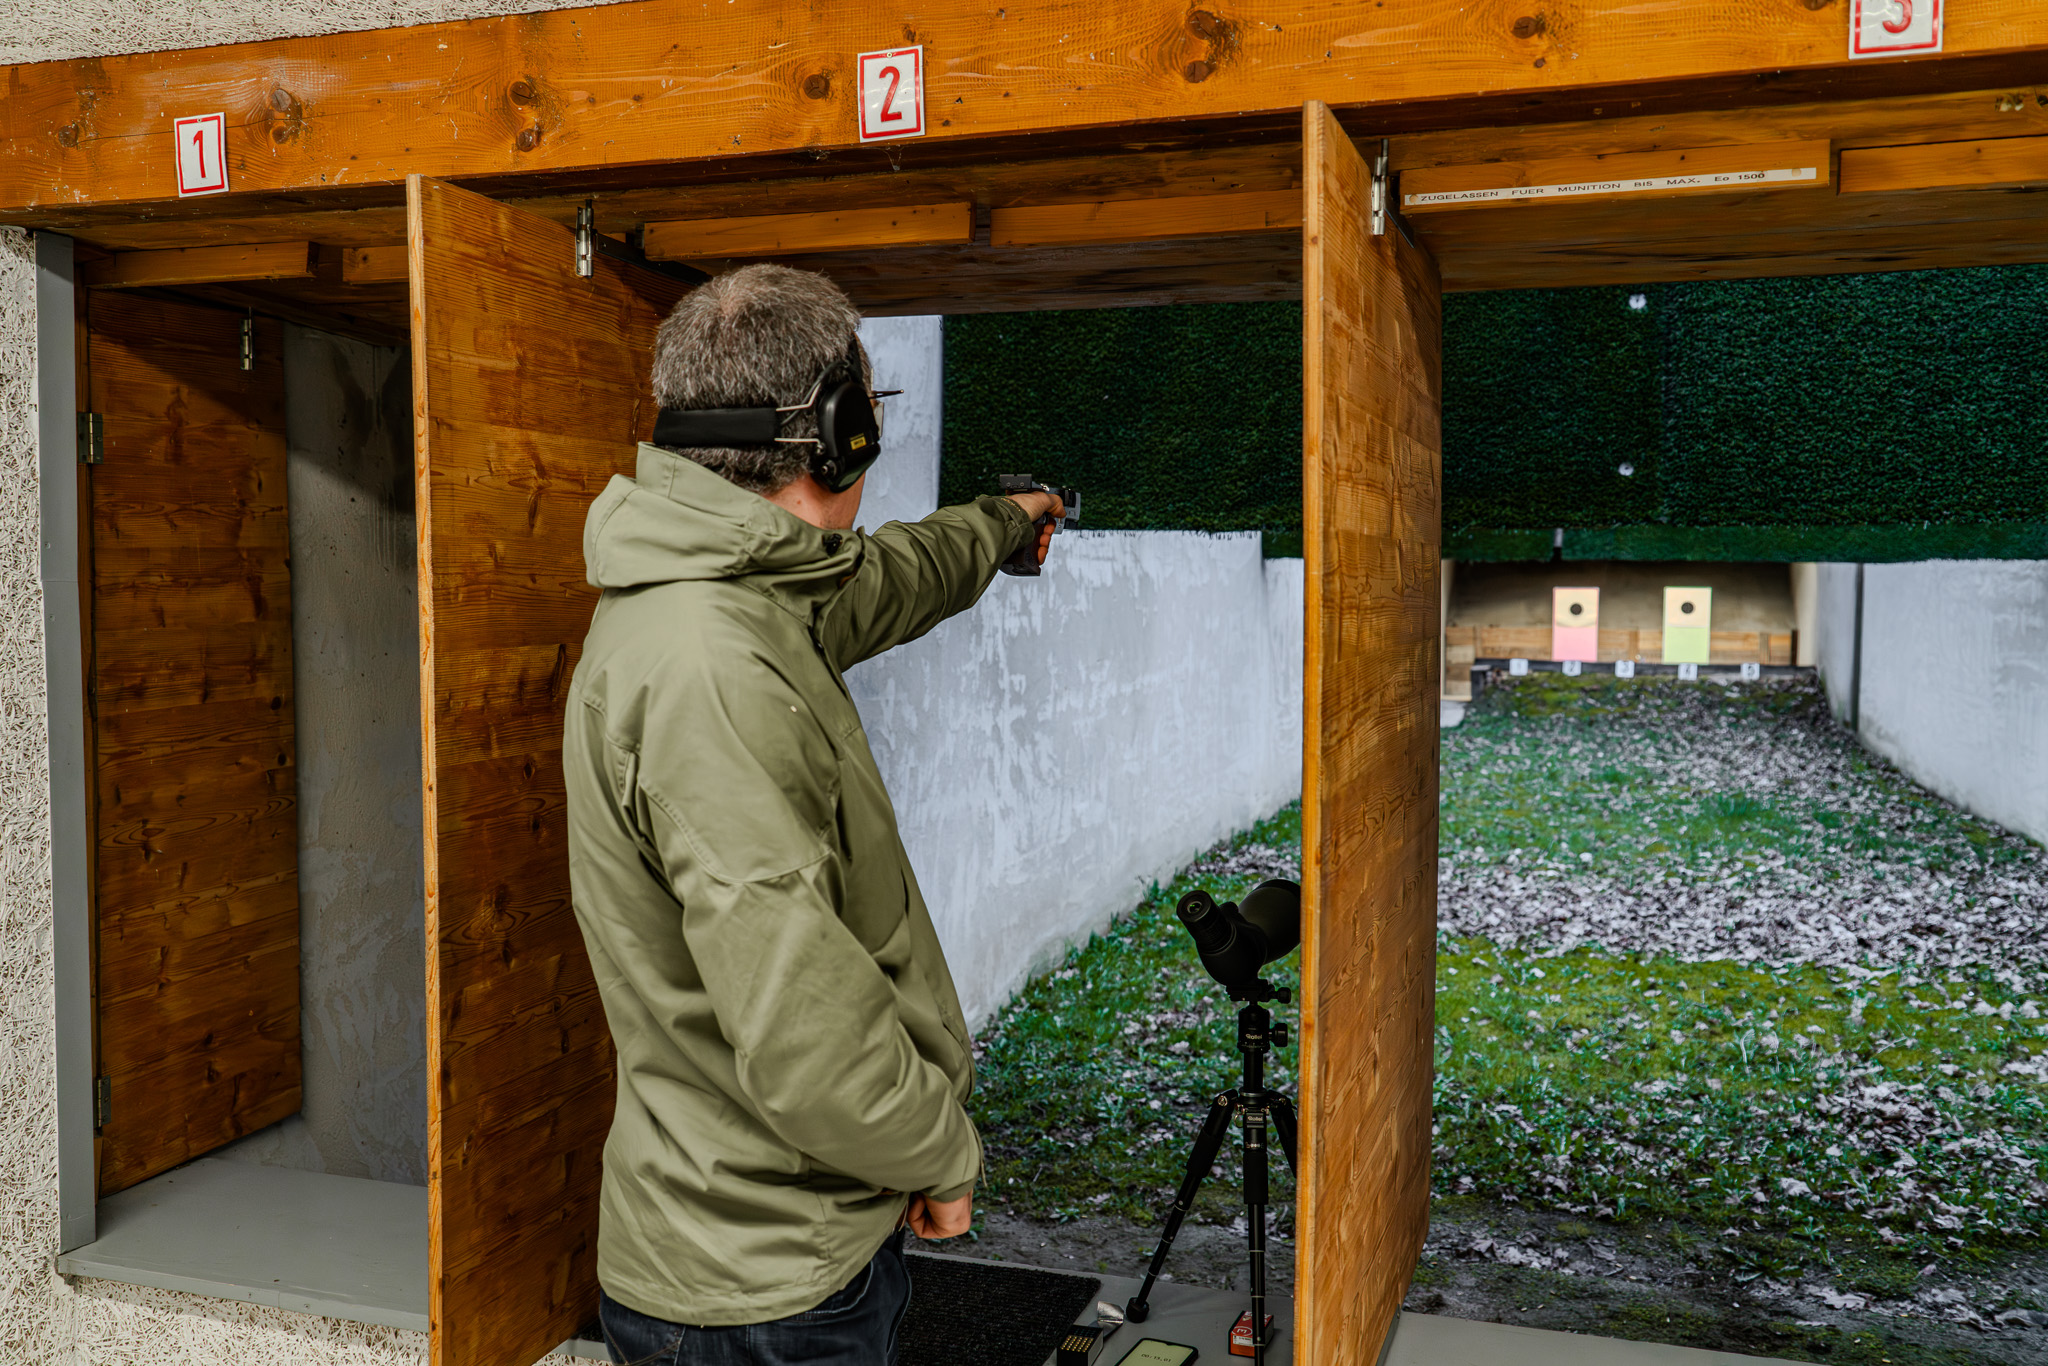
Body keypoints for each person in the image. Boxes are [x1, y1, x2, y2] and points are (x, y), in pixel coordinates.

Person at [563, 263, 1063, 1366]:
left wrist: (1004, 521)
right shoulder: (716, 671)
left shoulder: (730, 597)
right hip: (765, 1292)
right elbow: (807, 1038)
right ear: (840, 434)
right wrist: (940, 1153)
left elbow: (889, 576)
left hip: (742, 1254)